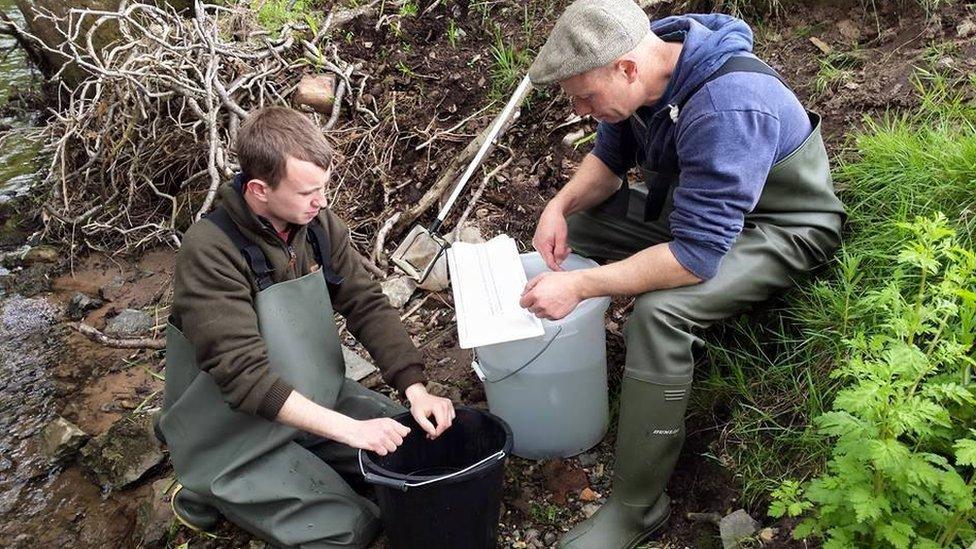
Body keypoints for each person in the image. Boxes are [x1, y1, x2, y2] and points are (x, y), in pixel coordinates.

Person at [520, 1, 844, 547]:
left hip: (780, 227)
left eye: (584, 97)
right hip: (705, 212)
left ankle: (635, 507)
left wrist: (579, 285)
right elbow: (605, 166)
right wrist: (558, 206)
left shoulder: (726, 106)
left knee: (659, 315)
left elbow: (694, 258)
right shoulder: (644, 80)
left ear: (625, 67)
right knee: (580, 221)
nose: (579, 109)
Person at [157, 106, 455, 548]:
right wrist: (352, 431)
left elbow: (365, 303)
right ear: (259, 189)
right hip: (233, 432)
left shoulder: (316, 226)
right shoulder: (210, 251)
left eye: (324, 187)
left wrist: (414, 387)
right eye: (307, 192)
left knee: (420, 460)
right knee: (350, 531)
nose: (321, 202)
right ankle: (205, 489)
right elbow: (243, 378)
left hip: (315, 403)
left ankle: (307, 466)